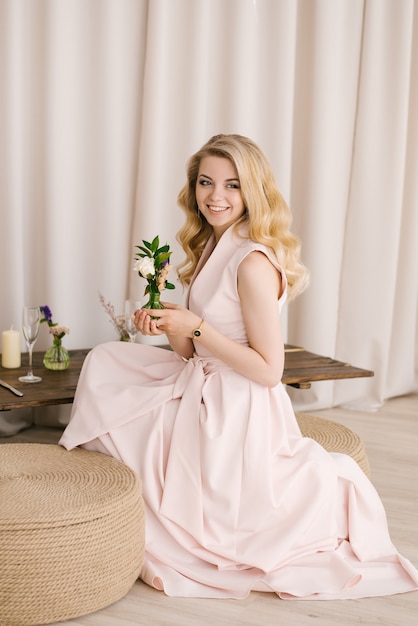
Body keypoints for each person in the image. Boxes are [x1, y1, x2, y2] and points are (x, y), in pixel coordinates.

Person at [59, 134, 418, 599]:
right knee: (107, 361)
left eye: (232, 185)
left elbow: (269, 370)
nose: (216, 196)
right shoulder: (213, 244)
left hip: (238, 404)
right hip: (204, 379)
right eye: (206, 183)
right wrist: (171, 322)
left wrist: (196, 326)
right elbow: (189, 352)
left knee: (132, 422)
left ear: (253, 191)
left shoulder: (251, 261)